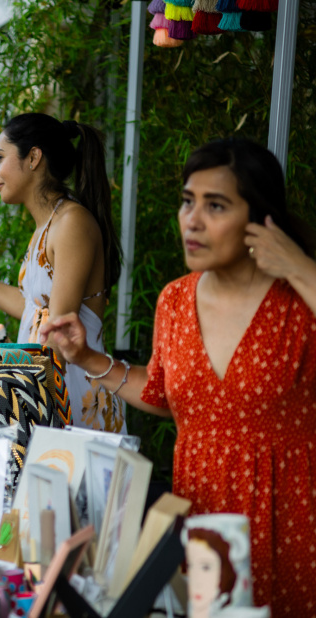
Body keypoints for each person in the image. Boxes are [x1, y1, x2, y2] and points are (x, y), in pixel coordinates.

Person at [39, 138, 316, 616]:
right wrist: (84, 357)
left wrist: (298, 265)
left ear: (259, 217)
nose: (193, 218)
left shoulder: (300, 299)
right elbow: (163, 394)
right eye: (188, 202)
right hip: (203, 517)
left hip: (289, 520)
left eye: (216, 206)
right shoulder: (175, 300)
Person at [0, 113, 124, 432]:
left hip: (74, 399)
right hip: (44, 389)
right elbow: (36, 310)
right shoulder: (48, 225)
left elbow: (58, 331)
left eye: (0, 158)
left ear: (34, 157)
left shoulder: (72, 223)